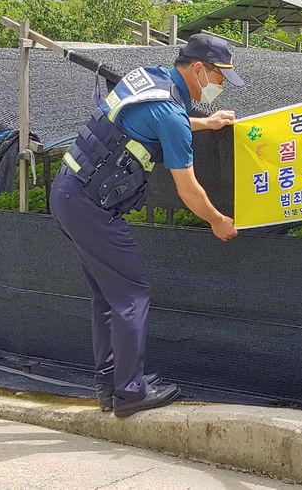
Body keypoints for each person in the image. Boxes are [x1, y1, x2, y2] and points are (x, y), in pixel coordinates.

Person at [49, 33, 244, 418]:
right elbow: (188, 189)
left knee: (108, 297)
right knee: (132, 294)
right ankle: (130, 392)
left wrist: (204, 123)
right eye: (220, 78)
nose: (221, 86)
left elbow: (149, 120)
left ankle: (109, 385)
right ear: (199, 69)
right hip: (91, 207)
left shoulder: (148, 79)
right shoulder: (171, 115)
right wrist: (218, 220)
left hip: (68, 193)